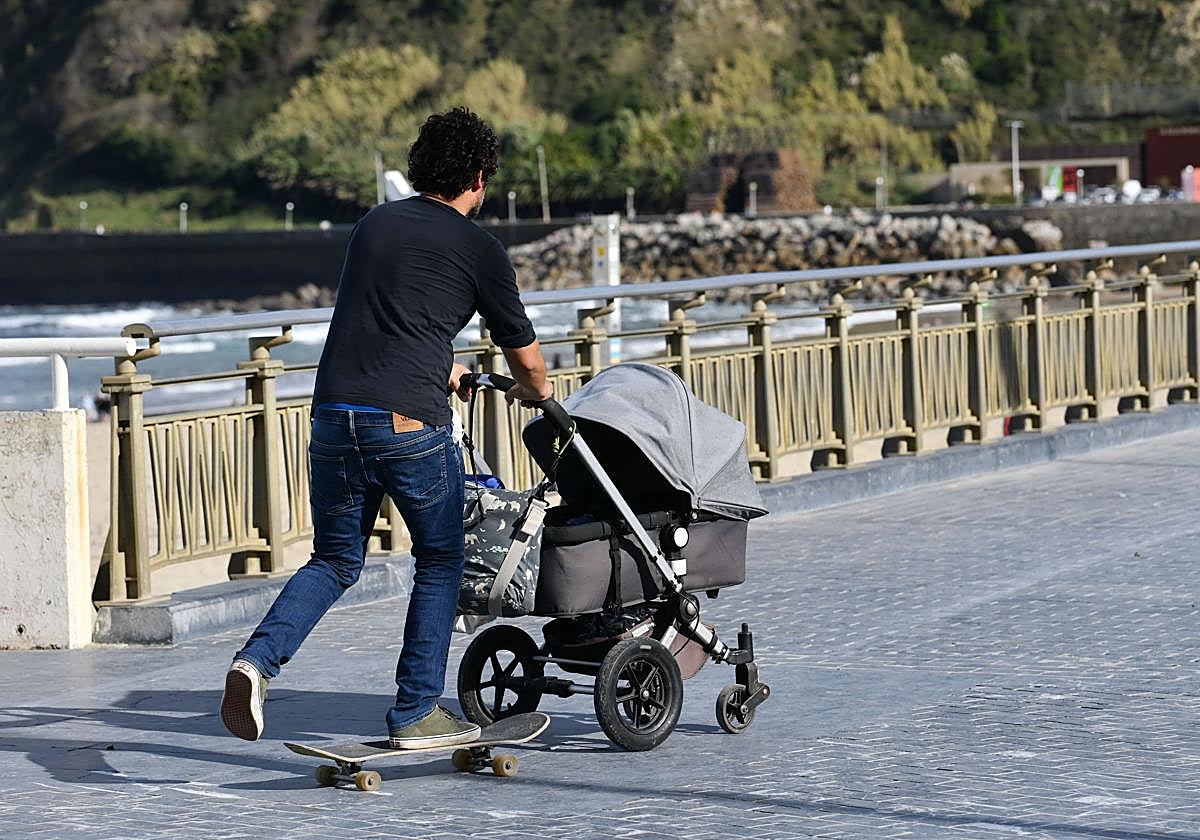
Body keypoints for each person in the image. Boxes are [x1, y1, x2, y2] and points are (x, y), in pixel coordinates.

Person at [220, 107, 552, 749]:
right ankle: (415, 713)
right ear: (479, 177)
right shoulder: (481, 250)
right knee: (441, 557)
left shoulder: (373, 226)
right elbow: (528, 360)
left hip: (333, 414)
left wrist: (442, 364)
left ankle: (255, 663)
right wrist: (532, 393)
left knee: (335, 559)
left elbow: (388, 321)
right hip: (408, 424)